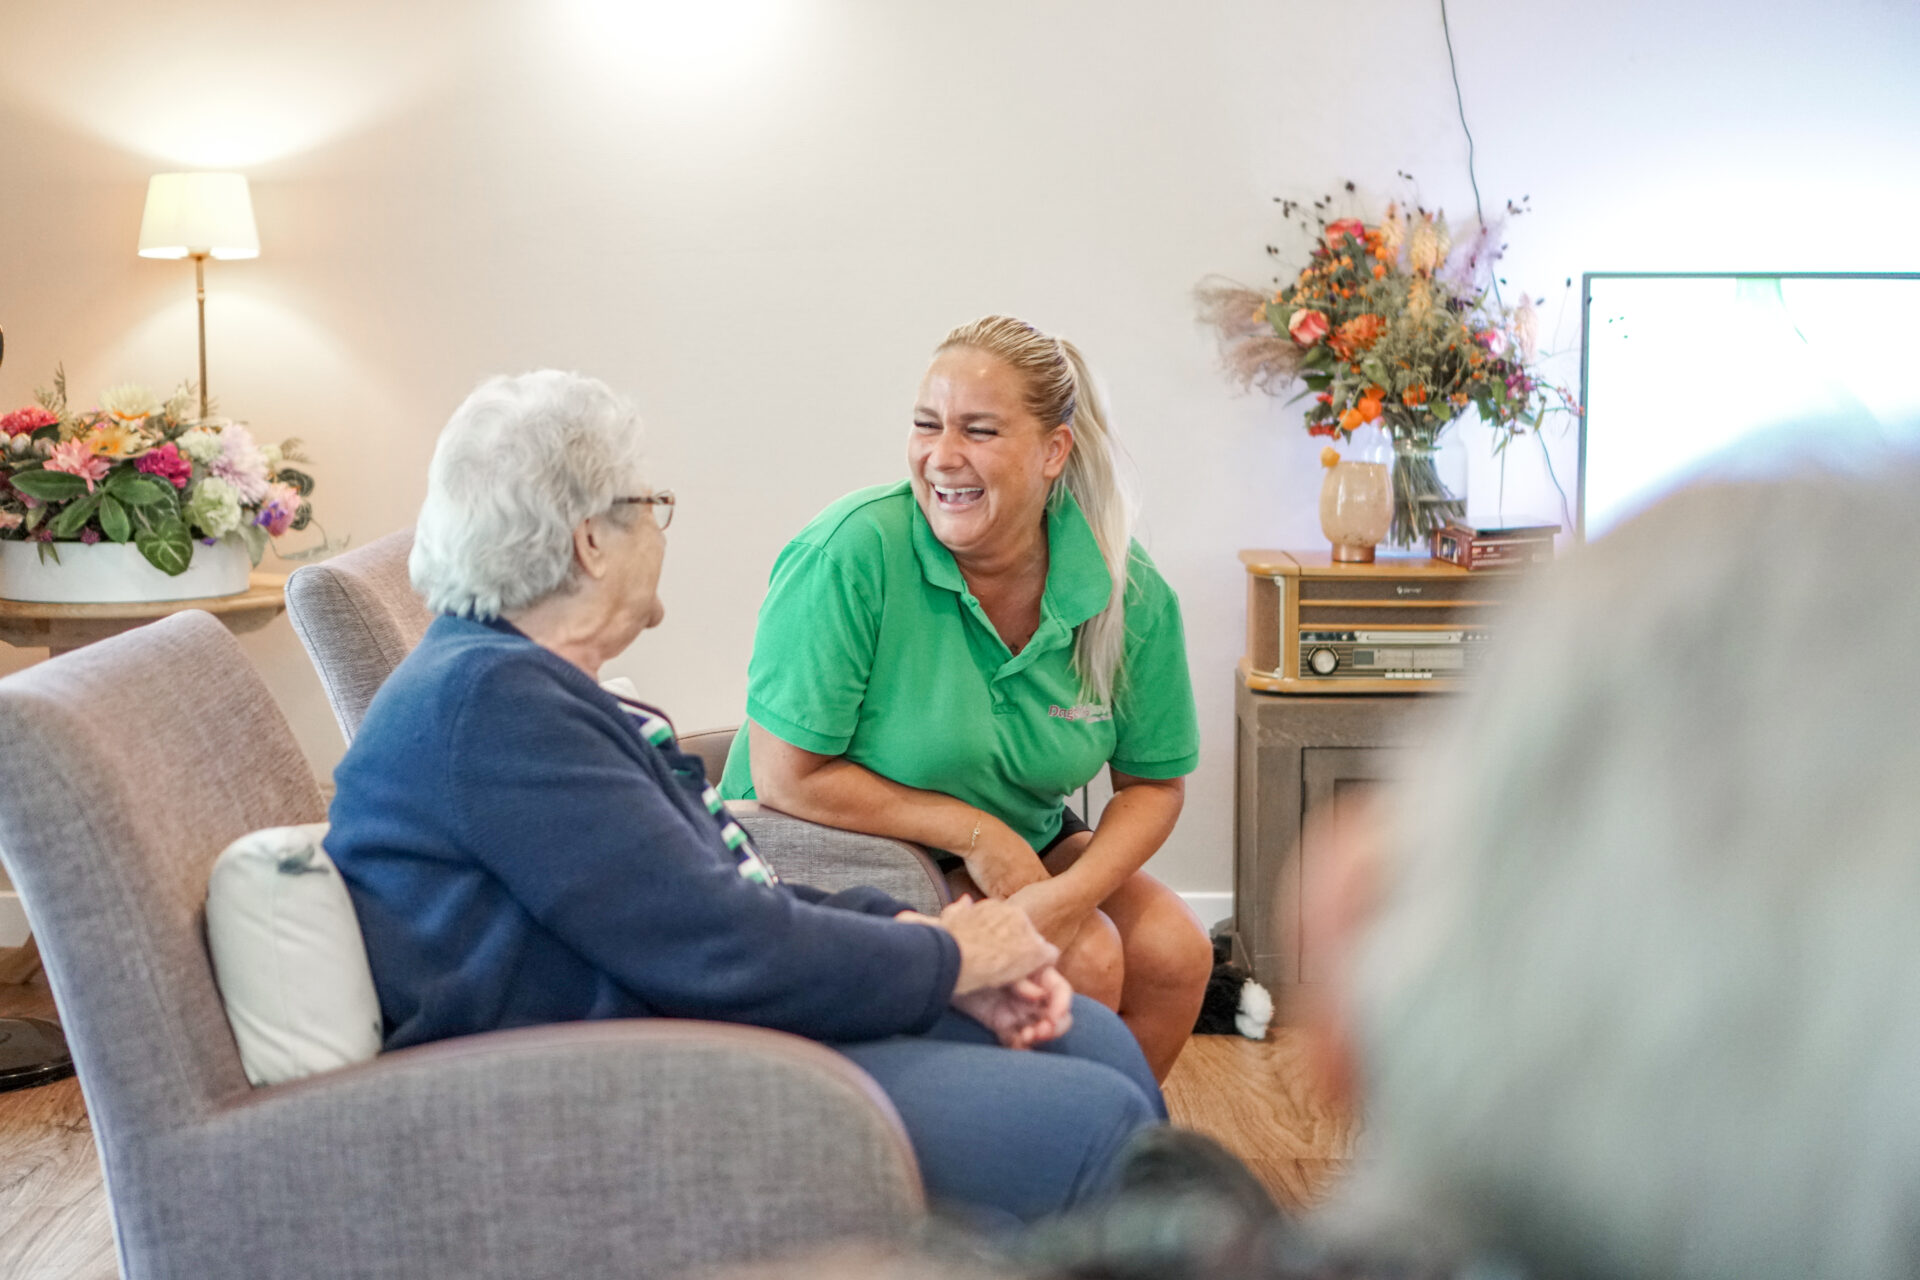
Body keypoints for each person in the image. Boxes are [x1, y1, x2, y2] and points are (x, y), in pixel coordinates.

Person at [324, 370, 1167, 1225]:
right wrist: (952, 963)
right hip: (629, 1089)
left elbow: (719, 897)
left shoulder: (524, 688)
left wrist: (919, 933)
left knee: (1091, 1040)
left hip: (699, 1030)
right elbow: (720, 949)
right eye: (651, 504)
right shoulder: (496, 710)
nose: (661, 528)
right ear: (590, 541)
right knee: (1097, 1129)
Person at [719, 316, 1212, 1081]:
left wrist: (1071, 892)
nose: (941, 457)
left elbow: (1153, 784)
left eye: (979, 431)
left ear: (1055, 451)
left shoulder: (1124, 586)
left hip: (1019, 839)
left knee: (1177, 954)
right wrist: (980, 837)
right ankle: (1025, 1173)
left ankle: (1104, 1170)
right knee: (1084, 958)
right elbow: (789, 776)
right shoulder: (851, 551)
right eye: (927, 425)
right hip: (823, 845)